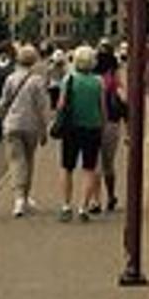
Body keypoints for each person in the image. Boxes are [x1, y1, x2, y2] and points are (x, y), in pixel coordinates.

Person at [0, 43, 52, 217]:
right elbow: (43, 107)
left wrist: (2, 118)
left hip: (12, 124)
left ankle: (19, 198)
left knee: (16, 160)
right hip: (31, 125)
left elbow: (3, 102)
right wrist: (44, 129)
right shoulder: (37, 81)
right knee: (29, 160)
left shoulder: (11, 79)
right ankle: (25, 197)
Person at [56, 43, 107, 221]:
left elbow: (61, 105)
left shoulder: (68, 80)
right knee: (89, 168)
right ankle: (83, 207)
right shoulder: (98, 81)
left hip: (72, 127)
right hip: (92, 127)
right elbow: (102, 107)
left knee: (67, 166)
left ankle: (65, 205)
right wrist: (103, 124)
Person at [95, 43, 128, 212]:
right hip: (111, 123)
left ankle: (95, 200)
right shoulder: (114, 81)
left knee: (93, 163)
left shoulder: (90, 79)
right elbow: (124, 103)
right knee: (108, 164)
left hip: (92, 123)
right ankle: (111, 196)